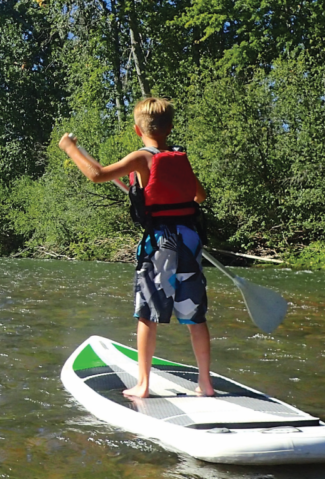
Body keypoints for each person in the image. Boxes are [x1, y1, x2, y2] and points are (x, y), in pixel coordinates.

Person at [57, 97, 214, 399]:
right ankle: (205, 384)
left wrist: (70, 148)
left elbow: (97, 174)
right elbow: (200, 196)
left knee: (148, 313)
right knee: (195, 316)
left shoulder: (143, 157)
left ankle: (143, 384)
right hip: (190, 239)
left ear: (136, 129)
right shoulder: (179, 157)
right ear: (170, 128)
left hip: (160, 243)